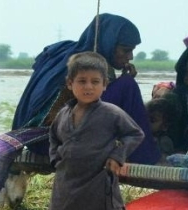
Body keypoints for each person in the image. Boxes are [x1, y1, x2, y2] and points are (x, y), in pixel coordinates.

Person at [47, 52, 145, 210]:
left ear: (104, 85)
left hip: (101, 191)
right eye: (81, 81)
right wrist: (57, 159)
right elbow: (53, 140)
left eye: (94, 81)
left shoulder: (111, 113)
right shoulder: (64, 115)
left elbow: (134, 133)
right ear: (70, 84)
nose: (88, 87)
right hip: (69, 192)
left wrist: (117, 155)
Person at [13, 13, 158, 164]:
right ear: (109, 43)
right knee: (128, 86)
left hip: (30, 140)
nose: (130, 57)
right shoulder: (90, 63)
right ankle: (145, 155)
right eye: (126, 50)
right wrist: (123, 82)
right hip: (52, 142)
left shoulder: (65, 52)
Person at [145, 97, 179, 164]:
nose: (146, 123)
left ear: (165, 126)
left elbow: (163, 162)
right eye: (144, 118)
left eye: (152, 120)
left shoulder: (164, 142)